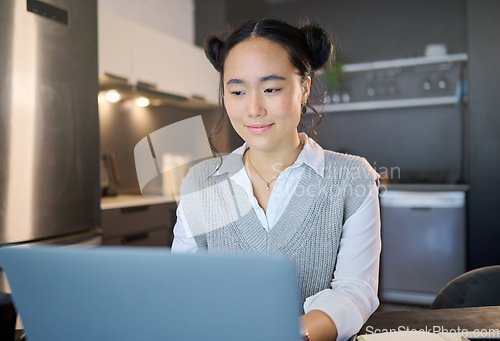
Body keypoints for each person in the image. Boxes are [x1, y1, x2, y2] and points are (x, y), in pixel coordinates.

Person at [172, 18, 381, 341]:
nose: (253, 109)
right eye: (237, 91)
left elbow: (355, 291)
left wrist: (289, 334)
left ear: (305, 88)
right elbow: (183, 287)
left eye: (271, 89)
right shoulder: (200, 182)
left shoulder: (351, 178)